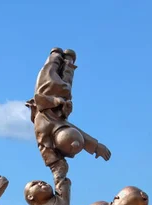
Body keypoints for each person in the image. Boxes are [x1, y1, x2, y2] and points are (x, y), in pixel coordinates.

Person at [26, 48, 111, 187]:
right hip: (63, 95)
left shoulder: (43, 125)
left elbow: (44, 146)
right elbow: (81, 134)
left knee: (50, 70)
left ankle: (56, 55)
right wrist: (96, 147)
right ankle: (69, 59)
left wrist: (55, 165)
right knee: (67, 79)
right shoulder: (62, 123)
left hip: (46, 92)